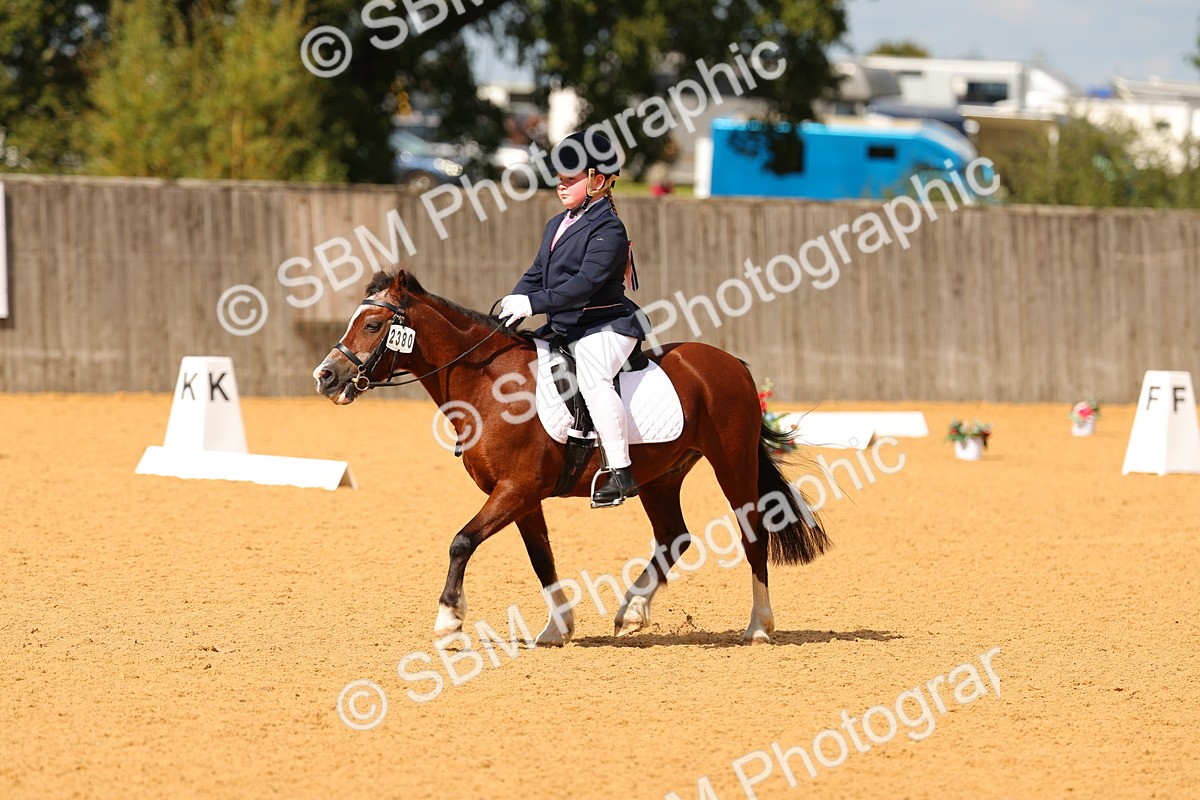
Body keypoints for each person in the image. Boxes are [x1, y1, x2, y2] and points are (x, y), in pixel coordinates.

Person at [497, 131, 645, 507]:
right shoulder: (555, 224)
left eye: (570, 179)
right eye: (560, 178)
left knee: (593, 377)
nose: (561, 185)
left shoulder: (609, 228)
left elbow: (584, 284)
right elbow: (536, 273)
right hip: (566, 327)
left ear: (597, 180)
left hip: (606, 326)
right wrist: (510, 307)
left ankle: (620, 472)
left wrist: (534, 306)